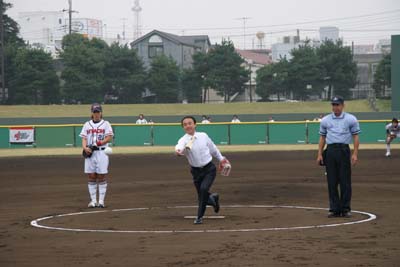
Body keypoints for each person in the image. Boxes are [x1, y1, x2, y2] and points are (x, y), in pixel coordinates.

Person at [175, 116, 230, 224]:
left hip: (209, 169)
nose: (188, 126)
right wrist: (178, 151)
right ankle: (213, 198)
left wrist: (222, 159)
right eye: (185, 124)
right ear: (183, 127)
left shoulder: (203, 136)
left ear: (195, 124)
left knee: (204, 190)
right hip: (196, 172)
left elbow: (213, 149)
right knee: (202, 195)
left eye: (190, 123)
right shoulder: (183, 140)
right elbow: (179, 147)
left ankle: (199, 217)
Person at [317, 96, 360, 218]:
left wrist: (355, 153)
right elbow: (322, 138)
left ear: (343, 105)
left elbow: (355, 136)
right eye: (333, 105)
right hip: (330, 151)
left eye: (337, 105)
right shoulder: (325, 120)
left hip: (344, 150)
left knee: (345, 181)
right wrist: (319, 154)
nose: (335, 107)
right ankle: (334, 209)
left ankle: (345, 208)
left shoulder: (351, 119)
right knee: (332, 181)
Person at [80, 103, 114, 208]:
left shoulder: (106, 124)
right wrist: (85, 147)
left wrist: (98, 143)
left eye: (98, 112)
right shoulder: (87, 124)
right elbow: (84, 138)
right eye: (95, 112)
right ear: (92, 113)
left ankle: (101, 201)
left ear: (101, 113)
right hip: (91, 153)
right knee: (91, 176)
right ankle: (93, 201)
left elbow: (109, 137)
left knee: (101, 176)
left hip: (102, 152)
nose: (96, 114)